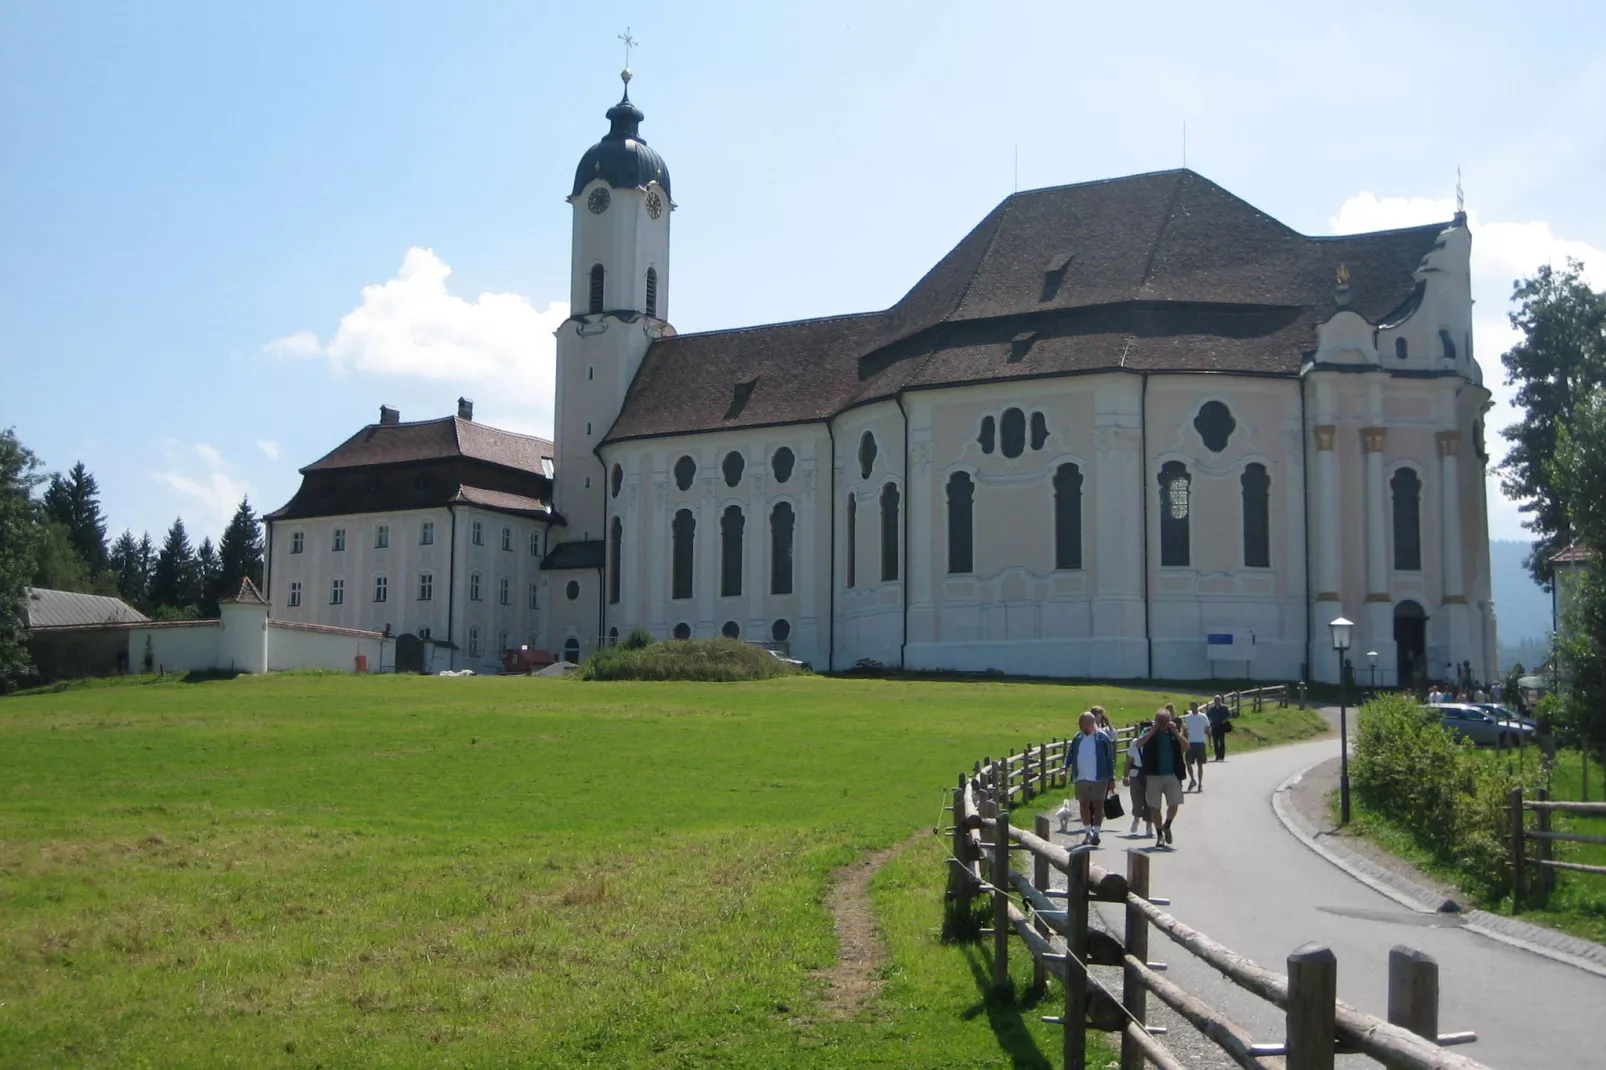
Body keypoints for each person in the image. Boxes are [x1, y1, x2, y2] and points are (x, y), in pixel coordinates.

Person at [1064, 711, 1116, 845]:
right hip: (1081, 776)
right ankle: (1088, 832)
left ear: (1090, 723)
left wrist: (1111, 778)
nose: (1080, 725)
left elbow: (1110, 759)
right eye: (1080, 723)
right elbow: (1070, 755)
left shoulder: (1102, 738)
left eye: (1083, 723)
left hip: (1099, 777)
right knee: (1084, 804)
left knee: (1098, 805)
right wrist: (1064, 769)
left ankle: (1096, 833)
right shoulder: (1077, 738)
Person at [1138, 710, 1187, 846]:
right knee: (1155, 807)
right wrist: (1152, 732)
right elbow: (1138, 744)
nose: (1163, 725)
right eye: (1161, 722)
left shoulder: (1173, 733)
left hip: (1172, 774)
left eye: (1166, 721)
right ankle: (1159, 834)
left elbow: (1186, 746)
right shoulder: (1148, 731)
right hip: (1153, 775)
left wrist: (1177, 733)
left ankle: (1167, 824)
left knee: (1175, 802)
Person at [1122, 722, 1153, 837]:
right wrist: (1125, 776)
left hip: (1150, 775)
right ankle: (1136, 819)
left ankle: (1149, 826)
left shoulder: (1153, 743)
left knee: (1150, 801)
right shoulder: (1134, 743)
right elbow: (1128, 761)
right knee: (1136, 799)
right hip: (1135, 774)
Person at [1182, 702, 1211, 790]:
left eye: (1195, 706)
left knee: (1200, 764)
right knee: (1188, 762)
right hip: (1190, 743)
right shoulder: (1187, 718)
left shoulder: (1203, 716)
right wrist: (1184, 742)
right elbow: (1185, 731)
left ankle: (1200, 783)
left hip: (1200, 742)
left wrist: (1210, 741)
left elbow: (1207, 729)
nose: (1193, 708)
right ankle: (1193, 780)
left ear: (1197, 707)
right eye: (1192, 706)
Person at [1206, 693, 1232, 762]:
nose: (1216, 701)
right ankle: (1217, 756)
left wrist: (1225, 720)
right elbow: (1208, 716)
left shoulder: (1224, 707)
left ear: (1220, 700)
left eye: (1217, 700)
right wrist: (1209, 724)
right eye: (1215, 700)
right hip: (1214, 726)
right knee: (1215, 742)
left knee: (1222, 741)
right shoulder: (1212, 709)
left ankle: (1222, 756)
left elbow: (1229, 715)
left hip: (1221, 726)